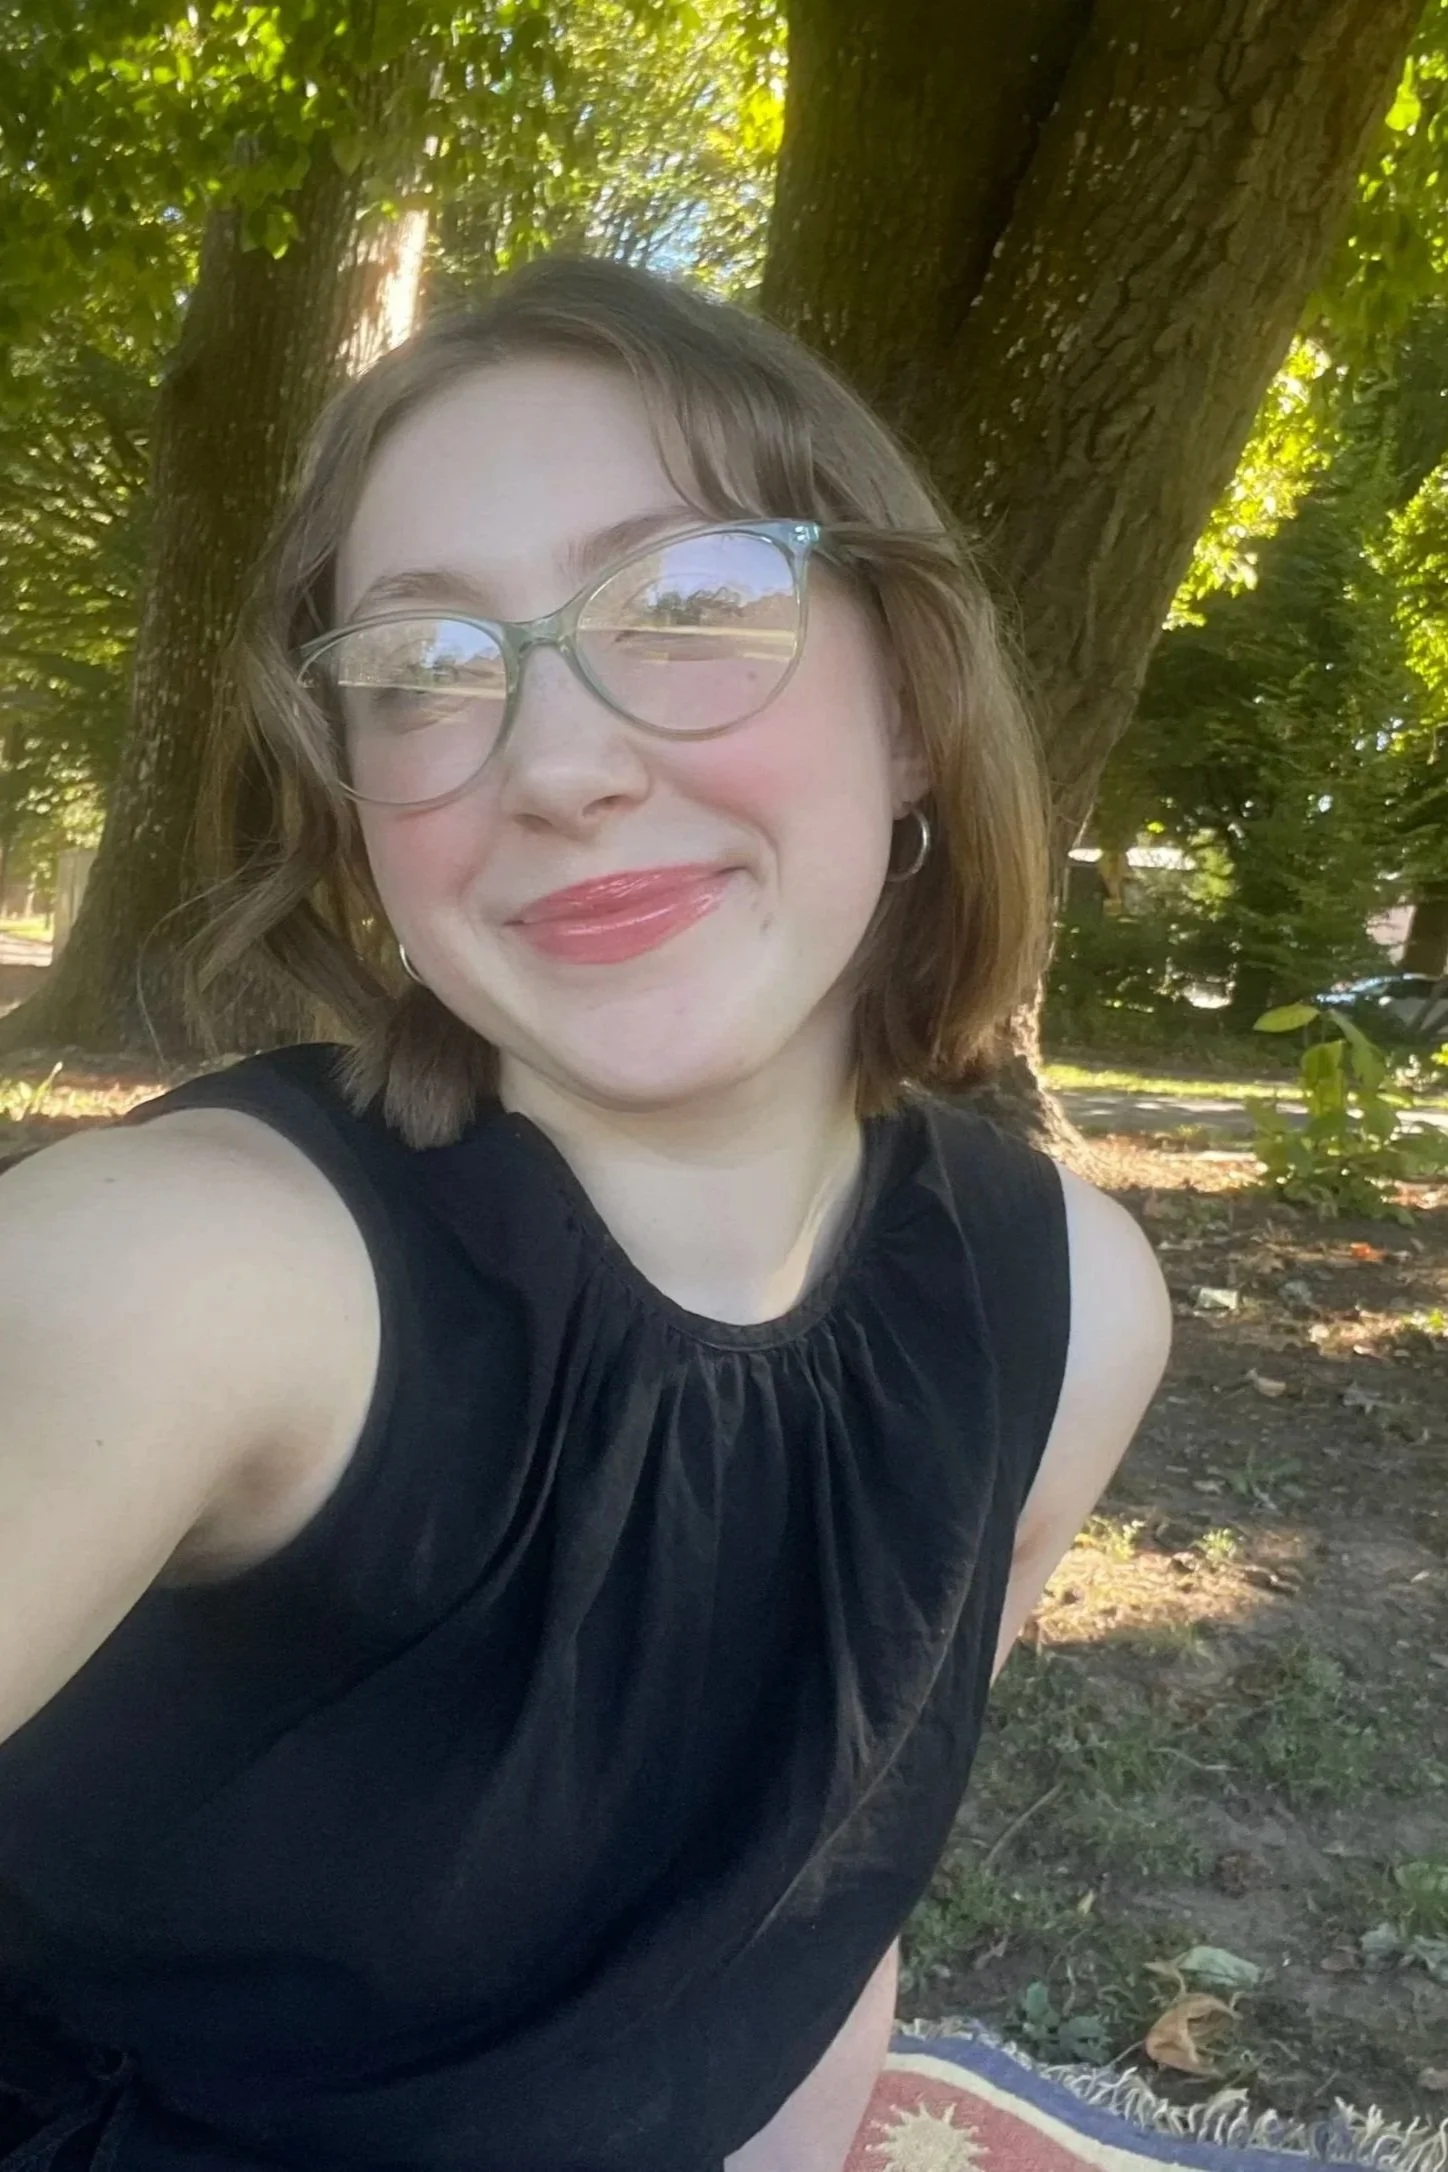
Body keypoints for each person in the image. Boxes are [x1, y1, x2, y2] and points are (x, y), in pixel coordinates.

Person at [0, 254, 1171, 2172]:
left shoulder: (1070, 1315)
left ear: (910, 706)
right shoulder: (195, 1266)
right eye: (425, 669)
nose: (554, 767)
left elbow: (795, 1939)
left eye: (692, 606)